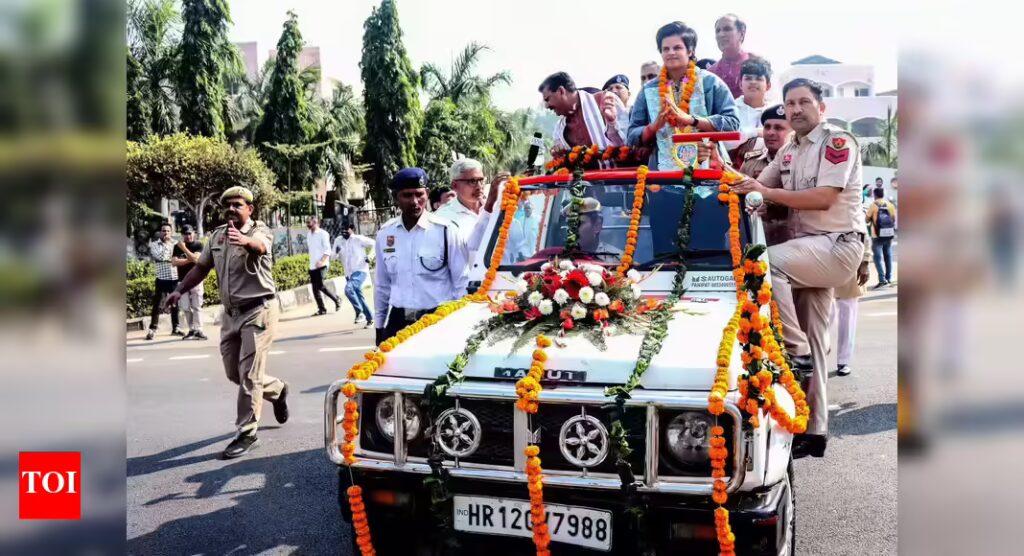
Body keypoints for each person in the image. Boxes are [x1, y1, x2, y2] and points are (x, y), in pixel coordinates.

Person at [730, 78, 868, 458]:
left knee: (763, 261)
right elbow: (755, 184)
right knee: (817, 343)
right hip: (809, 253)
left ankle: (794, 350)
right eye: (789, 103)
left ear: (821, 108)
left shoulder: (837, 142)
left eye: (803, 102)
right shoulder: (790, 148)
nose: (795, 109)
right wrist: (717, 168)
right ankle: (814, 431)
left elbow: (824, 198)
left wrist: (766, 195)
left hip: (836, 246)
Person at [164, 186, 289, 459]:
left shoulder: (260, 231)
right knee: (234, 373)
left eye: (238, 204)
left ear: (249, 209)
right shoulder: (218, 236)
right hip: (230, 314)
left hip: (259, 311)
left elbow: (261, 246)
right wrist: (179, 290)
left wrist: (245, 241)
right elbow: (201, 267)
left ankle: (247, 432)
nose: (232, 209)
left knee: (249, 375)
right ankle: (277, 389)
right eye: (228, 205)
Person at [627, 21, 739, 170]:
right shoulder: (649, 89)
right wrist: (654, 127)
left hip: (709, 170)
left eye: (677, 47)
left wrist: (692, 120)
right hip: (662, 175)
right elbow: (631, 137)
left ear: (690, 51)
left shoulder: (710, 82)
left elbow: (732, 123)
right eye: (665, 49)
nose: (671, 52)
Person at [375, 168, 469, 344]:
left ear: (427, 193)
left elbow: (461, 282)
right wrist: (379, 326)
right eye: (407, 195)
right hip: (399, 321)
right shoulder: (385, 234)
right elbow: (382, 285)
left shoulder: (445, 230)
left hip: (438, 320)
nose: (414, 201)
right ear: (396, 197)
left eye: (419, 194)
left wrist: (459, 322)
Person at [738, 104, 792, 246]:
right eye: (767, 127)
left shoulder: (801, 163)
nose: (770, 132)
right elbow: (738, 191)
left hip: (788, 244)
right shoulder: (751, 161)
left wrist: (770, 207)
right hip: (753, 241)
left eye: (779, 128)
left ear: (793, 132)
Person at [540, 72, 629, 153]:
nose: (547, 106)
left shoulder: (606, 100)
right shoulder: (559, 129)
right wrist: (558, 152)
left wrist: (611, 124)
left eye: (548, 99)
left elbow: (628, 145)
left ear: (561, 91)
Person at [833, 237, 872, 376]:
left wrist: (865, 262)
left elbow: (863, 235)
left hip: (849, 264)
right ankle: (813, 359)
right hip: (821, 262)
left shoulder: (853, 214)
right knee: (820, 320)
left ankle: (843, 360)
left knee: (847, 319)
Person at [723, 57, 773, 163]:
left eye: (759, 79)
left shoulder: (775, 111)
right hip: (732, 169)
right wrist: (755, 132)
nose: (753, 82)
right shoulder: (729, 110)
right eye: (748, 78)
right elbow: (725, 142)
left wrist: (745, 135)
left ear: (768, 86)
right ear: (741, 84)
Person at [332, 223, 375, 327]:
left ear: (352, 229)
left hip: (360, 270)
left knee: (348, 289)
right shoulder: (338, 240)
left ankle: (359, 312)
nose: (343, 231)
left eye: (346, 229)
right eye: (342, 229)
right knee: (358, 296)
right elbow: (332, 257)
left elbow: (375, 243)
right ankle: (370, 318)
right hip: (348, 273)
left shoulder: (358, 239)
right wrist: (336, 253)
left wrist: (370, 256)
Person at [145, 222, 182, 340]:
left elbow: (178, 257)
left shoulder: (176, 244)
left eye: (168, 231)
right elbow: (160, 257)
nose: (166, 233)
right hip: (161, 278)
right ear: (160, 232)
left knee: (175, 304)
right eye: (163, 231)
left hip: (174, 278)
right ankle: (153, 329)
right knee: (157, 304)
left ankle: (176, 327)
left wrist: (172, 254)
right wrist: (168, 245)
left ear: (171, 232)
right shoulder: (154, 244)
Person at [171, 224, 207, 340]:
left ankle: (199, 330)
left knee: (197, 306)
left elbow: (197, 260)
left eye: (190, 233)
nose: (188, 236)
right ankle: (191, 330)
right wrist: (189, 259)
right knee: (186, 307)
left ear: (194, 233)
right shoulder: (177, 247)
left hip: (196, 279)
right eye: (186, 234)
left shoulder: (198, 245)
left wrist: (184, 249)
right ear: (182, 235)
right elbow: (174, 262)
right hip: (182, 281)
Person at [708, 13, 756, 98]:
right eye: (718, 31)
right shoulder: (710, 73)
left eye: (727, 29)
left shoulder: (758, 64)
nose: (721, 35)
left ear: (741, 34)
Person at [306, 216, 341, 316]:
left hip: (322, 264)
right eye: (307, 223)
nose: (308, 225)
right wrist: (312, 264)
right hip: (312, 265)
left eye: (309, 223)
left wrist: (321, 261)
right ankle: (322, 309)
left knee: (320, 285)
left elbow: (327, 250)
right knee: (315, 288)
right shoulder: (309, 234)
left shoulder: (323, 234)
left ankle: (337, 299)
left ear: (316, 222)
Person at [865, 186, 897, 287]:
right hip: (889, 233)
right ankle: (889, 278)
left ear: (875, 195)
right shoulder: (890, 205)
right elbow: (893, 219)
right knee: (888, 255)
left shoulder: (873, 205)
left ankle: (882, 279)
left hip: (877, 235)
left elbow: (866, 220)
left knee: (877, 257)